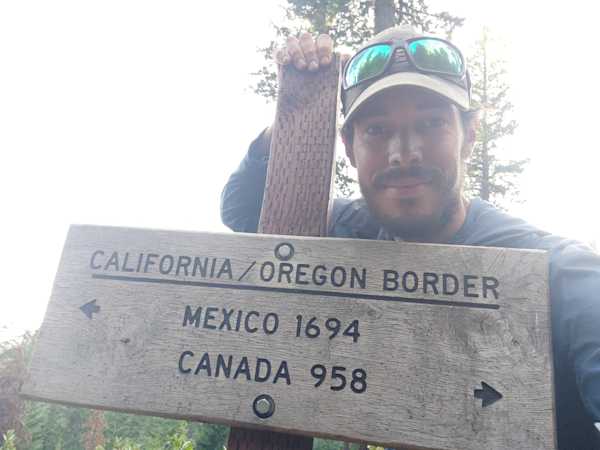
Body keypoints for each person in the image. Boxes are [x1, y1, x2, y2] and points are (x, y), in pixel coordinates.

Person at [220, 25, 600, 449]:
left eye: (431, 123)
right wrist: (297, 109)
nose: (404, 153)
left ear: (470, 136)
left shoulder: (559, 272)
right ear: (349, 147)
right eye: (377, 130)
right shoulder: (357, 229)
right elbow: (243, 210)